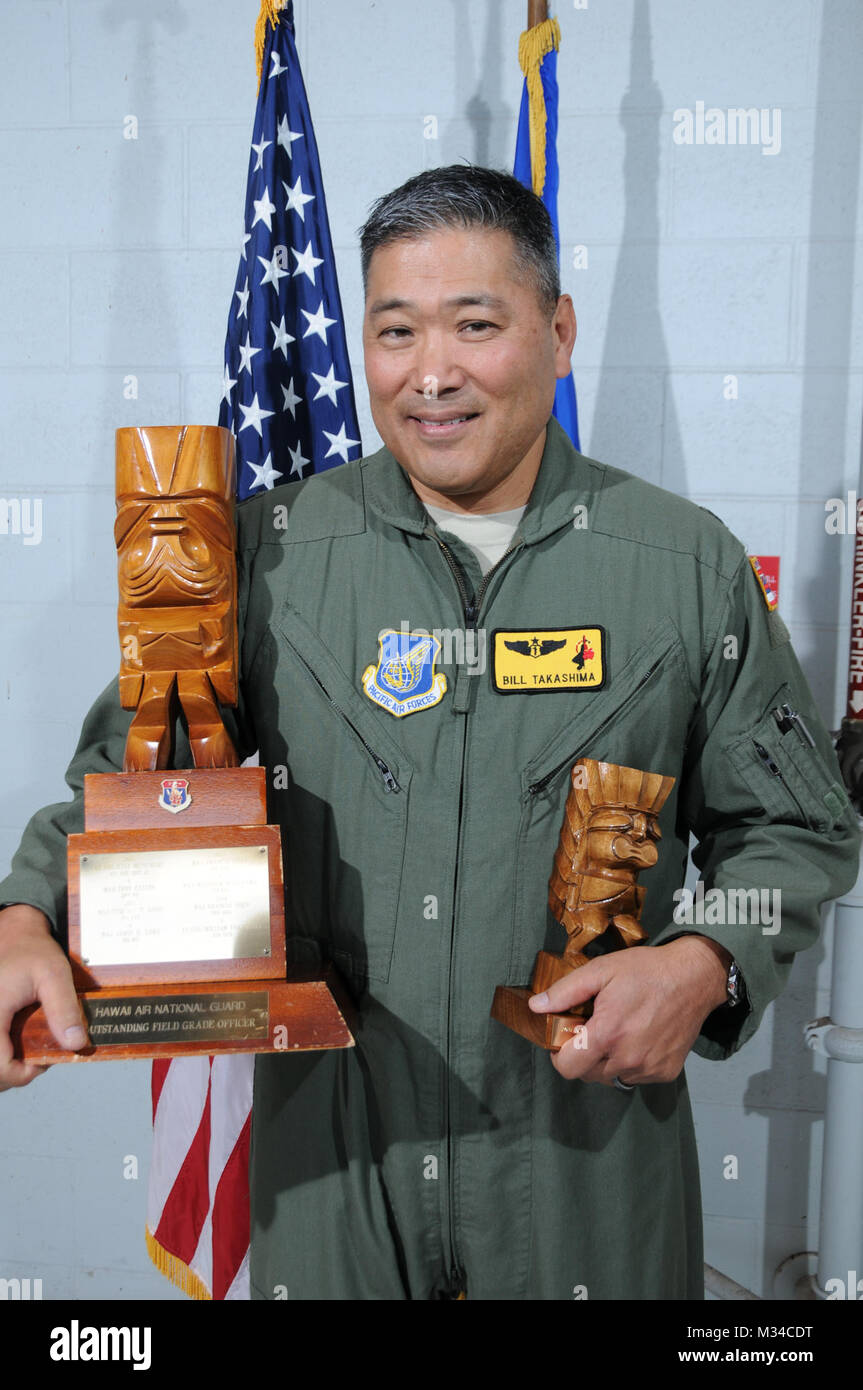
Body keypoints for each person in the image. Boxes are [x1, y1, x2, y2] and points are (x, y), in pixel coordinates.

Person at [0, 165, 858, 1301]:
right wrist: (27, 912)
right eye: (394, 330)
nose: (431, 373)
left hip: (581, 1157)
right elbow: (135, 775)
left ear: (557, 332)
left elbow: (793, 823)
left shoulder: (682, 566)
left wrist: (707, 962)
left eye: (475, 324)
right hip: (332, 1158)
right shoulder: (269, 552)